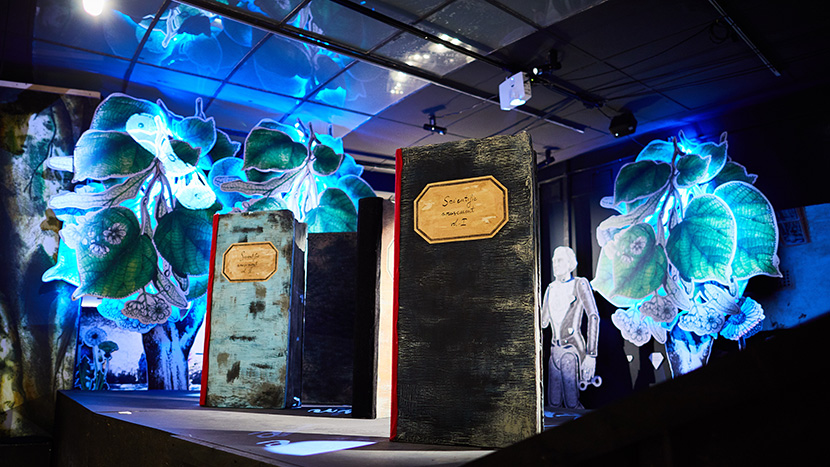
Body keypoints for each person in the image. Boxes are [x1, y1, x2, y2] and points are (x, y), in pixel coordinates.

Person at [541, 246, 600, 409]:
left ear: (569, 263)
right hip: (554, 351)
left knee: (571, 402)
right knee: (553, 403)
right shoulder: (550, 288)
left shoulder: (579, 284)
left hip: (572, 350)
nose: (555, 264)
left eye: (559, 260)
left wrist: (591, 354)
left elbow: (593, 316)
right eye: (554, 260)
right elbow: (543, 323)